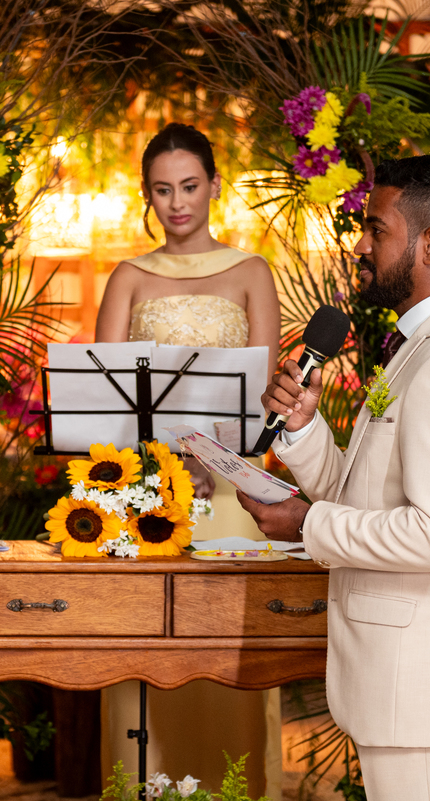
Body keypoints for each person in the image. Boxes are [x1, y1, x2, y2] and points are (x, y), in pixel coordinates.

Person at [243, 155, 430, 800]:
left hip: (423, 677)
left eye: (376, 230)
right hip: (404, 678)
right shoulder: (423, 345)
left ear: (429, 245)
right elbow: (367, 492)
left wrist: (306, 524)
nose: (361, 246)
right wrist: (303, 430)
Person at [93, 123, 282, 793]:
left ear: (215, 185)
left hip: (233, 498)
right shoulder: (129, 277)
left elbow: (266, 398)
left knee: (227, 663)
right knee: (144, 668)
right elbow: (103, 398)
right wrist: (160, 465)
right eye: (163, 189)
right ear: (147, 194)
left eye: (190, 186)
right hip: (146, 500)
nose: (177, 203)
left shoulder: (252, 271)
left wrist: (216, 458)